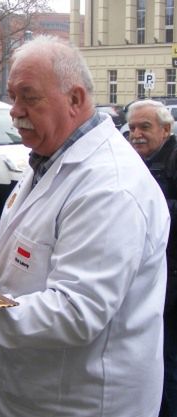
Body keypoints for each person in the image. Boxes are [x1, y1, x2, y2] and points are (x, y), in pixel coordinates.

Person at [0, 35, 170, 417]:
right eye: (12, 96)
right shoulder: (48, 158)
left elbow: (75, 311)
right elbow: (7, 234)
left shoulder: (110, 187)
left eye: (29, 97)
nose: (14, 111)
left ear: (75, 100)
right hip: (24, 396)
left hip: (79, 403)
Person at [126, 99, 177, 417]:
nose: (136, 134)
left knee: (168, 365)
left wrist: (149, 210)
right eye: (132, 128)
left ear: (166, 129)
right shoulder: (135, 162)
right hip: (151, 285)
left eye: (145, 127)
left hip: (171, 290)